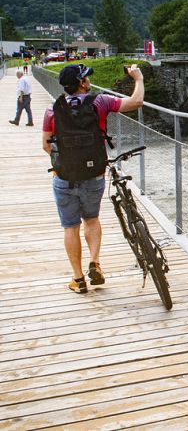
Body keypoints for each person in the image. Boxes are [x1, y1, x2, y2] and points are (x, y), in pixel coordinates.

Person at [42, 63, 144, 293]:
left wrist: (68, 162)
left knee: (70, 227)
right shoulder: (101, 102)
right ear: (81, 83)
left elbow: (46, 145)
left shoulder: (52, 109)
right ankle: (95, 262)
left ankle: (78, 280)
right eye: (86, 77)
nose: (89, 80)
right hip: (94, 175)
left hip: (65, 178)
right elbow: (136, 102)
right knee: (91, 220)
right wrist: (138, 79)